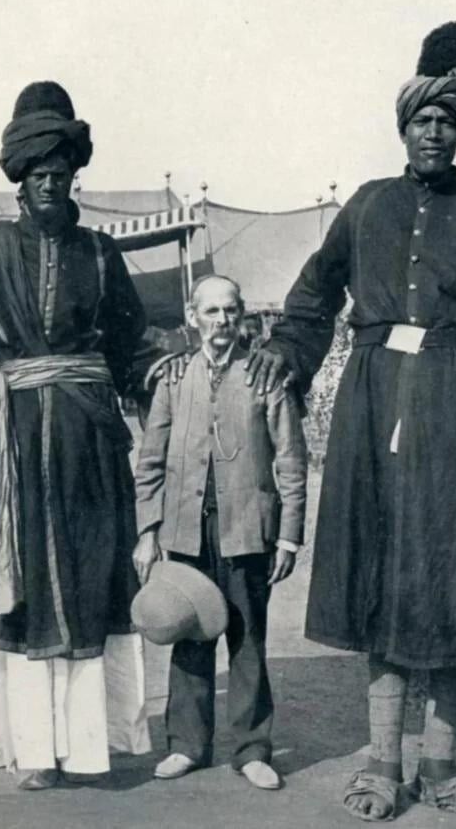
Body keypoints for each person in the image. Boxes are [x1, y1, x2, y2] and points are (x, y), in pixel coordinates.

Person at [244, 23, 456, 820]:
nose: (434, 132)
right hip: (376, 403)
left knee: (453, 583)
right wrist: (286, 349)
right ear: (404, 123)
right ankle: (384, 764)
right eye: (423, 118)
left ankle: (444, 768)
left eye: (448, 122)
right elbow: (313, 297)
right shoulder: (366, 208)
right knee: (385, 581)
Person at [0, 81, 163, 789]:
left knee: (91, 583)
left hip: (89, 447)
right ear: (19, 182)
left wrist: (169, 387)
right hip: (13, 446)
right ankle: (33, 751)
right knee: (21, 592)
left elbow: (132, 348)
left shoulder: (100, 254)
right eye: (39, 174)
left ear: (73, 176)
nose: (51, 183)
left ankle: (90, 748)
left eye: (61, 172)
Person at [133, 274, 307, 790]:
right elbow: (150, 462)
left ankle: (252, 750)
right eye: (211, 312)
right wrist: (148, 530)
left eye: (230, 311)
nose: (222, 322)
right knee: (189, 635)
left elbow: (292, 461)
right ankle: (186, 745)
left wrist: (288, 536)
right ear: (193, 317)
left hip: (247, 530)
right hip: (185, 531)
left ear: (243, 315)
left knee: (247, 640)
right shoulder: (173, 378)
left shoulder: (266, 377)